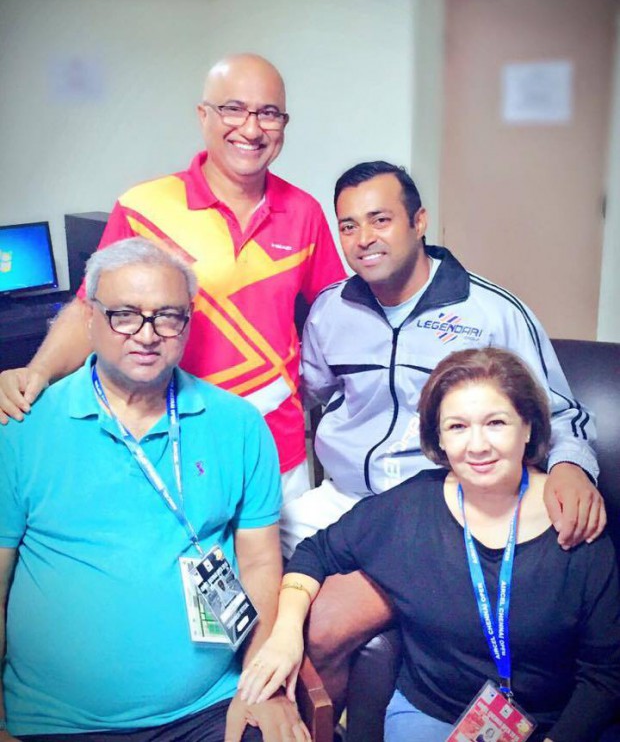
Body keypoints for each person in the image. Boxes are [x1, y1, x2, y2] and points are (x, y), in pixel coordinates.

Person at [279, 160, 605, 712]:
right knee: (253, 587)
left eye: (380, 219)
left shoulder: (491, 311)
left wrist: (573, 468)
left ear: (419, 221)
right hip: (340, 497)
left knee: (324, 627)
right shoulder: (331, 310)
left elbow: (559, 413)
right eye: (348, 225)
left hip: (430, 508)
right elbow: (308, 396)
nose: (363, 239)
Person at [0, 238, 310, 742]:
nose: (146, 335)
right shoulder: (20, 428)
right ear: (90, 319)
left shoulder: (239, 425)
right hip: (54, 723)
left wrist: (259, 688)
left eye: (167, 316)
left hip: (211, 709)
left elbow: (258, 564)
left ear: (187, 323)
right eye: (124, 315)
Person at [0, 53, 345, 505]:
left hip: (278, 448)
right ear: (204, 116)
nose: (251, 128)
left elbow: (337, 315)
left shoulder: (305, 212)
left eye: (268, 113)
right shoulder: (145, 207)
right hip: (173, 442)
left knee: (280, 575)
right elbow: (90, 309)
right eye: (233, 109)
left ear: (284, 123)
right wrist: (37, 371)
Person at [237, 347, 620, 742]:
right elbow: (315, 552)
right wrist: (284, 635)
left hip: (554, 725)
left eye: (496, 423)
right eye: (457, 427)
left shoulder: (573, 518)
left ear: (528, 428)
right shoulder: (411, 508)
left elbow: (606, 676)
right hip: (433, 713)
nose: (477, 446)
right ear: (438, 437)